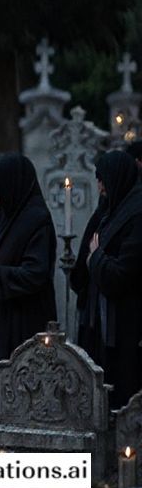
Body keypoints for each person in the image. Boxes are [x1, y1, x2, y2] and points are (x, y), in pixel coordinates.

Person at [0, 154, 57, 381]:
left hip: (25, 319)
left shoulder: (37, 219)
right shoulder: (1, 216)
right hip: (1, 316)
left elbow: (36, 273)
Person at [78, 150, 142, 408]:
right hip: (104, 323)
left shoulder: (136, 214)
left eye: (103, 179)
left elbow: (122, 274)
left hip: (126, 324)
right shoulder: (113, 209)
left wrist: (96, 258)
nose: (100, 186)